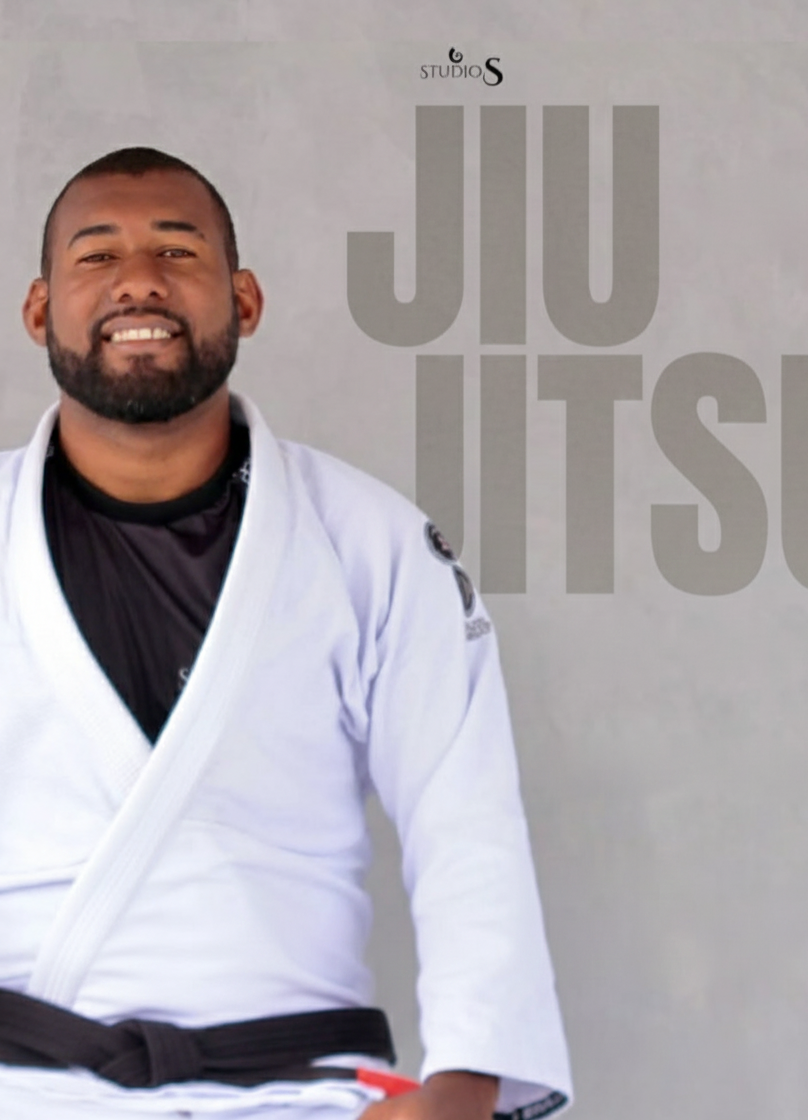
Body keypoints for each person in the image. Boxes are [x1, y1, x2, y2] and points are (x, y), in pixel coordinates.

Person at [0, 148, 572, 1120]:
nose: (139, 279)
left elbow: (466, 819)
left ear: (246, 300)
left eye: (177, 250)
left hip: (297, 1086)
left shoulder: (374, 543)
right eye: (97, 256)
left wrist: (466, 1085)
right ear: (39, 310)